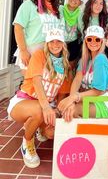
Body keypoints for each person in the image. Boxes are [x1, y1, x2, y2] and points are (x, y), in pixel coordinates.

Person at [7, 28, 70, 168]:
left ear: (63, 43)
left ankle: (38, 127)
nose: (55, 44)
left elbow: (61, 95)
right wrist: (47, 107)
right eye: (51, 41)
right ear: (46, 43)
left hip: (45, 105)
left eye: (58, 41)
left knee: (51, 133)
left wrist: (58, 114)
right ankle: (27, 142)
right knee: (39, 111)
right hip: (24, 101)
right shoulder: (39, 55)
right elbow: (37, 82)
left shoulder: (65, 66)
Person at [58, 25, 108, 121]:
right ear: (85, 41)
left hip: (101, 104)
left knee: (72, 111)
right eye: (89, 39)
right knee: (68, 109)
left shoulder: (101, 59)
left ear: (102, 42)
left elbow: (98, 91)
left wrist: (74, 98)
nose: (93, 42)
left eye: (97, 39)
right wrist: (71, 101)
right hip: (87, 101)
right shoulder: (85, 59)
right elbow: (77, 80)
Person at [13, 0, 64, 75]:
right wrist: (23, 51)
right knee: (30, 84)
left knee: (46, 84)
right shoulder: (29, 5)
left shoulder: (58, 10)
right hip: (31, 50)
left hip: (50, 51)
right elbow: (18, 27)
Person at [59, 0, 86, 68]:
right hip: (58, 42)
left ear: (80, 3)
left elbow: (82, 30)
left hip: (72, 44)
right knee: (58, 66)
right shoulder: (60, 9)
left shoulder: (80, 14)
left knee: (70, 67)